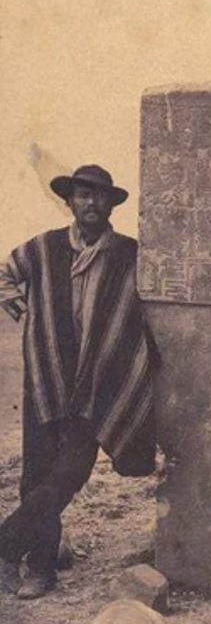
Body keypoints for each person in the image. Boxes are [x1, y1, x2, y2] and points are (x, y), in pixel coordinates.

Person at [0, 164, 156, 599]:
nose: (91, 203)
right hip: (46, 379)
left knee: (71, 472)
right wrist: (18, 307)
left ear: (111, 205)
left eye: (100, 196)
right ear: (69, 201)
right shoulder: (44, 247)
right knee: (36, 476)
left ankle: (7, 541)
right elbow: (4, 273)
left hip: (95, 386)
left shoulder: (128, 254)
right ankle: (41, 569)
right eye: (83, 195)